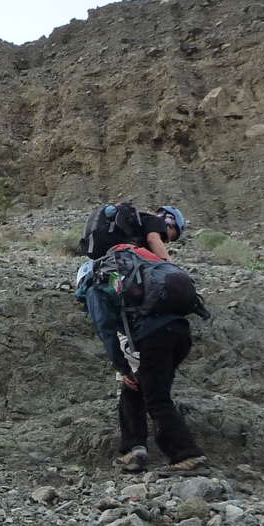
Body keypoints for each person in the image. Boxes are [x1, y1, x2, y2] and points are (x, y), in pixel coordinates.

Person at [78, 207, 206, 472]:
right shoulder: (141, 264)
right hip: (179, 331)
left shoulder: (96, 284)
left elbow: (105, 328)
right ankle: (133, 450)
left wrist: (123, 368)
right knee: (136, 387)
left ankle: (186, 455)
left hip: (153, 336)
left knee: (156, 397)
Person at [80, 202, 186, 261]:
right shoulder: (157, 221)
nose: (168, 241)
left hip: (96, 250)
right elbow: (153, 239)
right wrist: (170, 265)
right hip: (113, 249)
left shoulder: (140, 222)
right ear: (170, 221)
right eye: (173, 236)